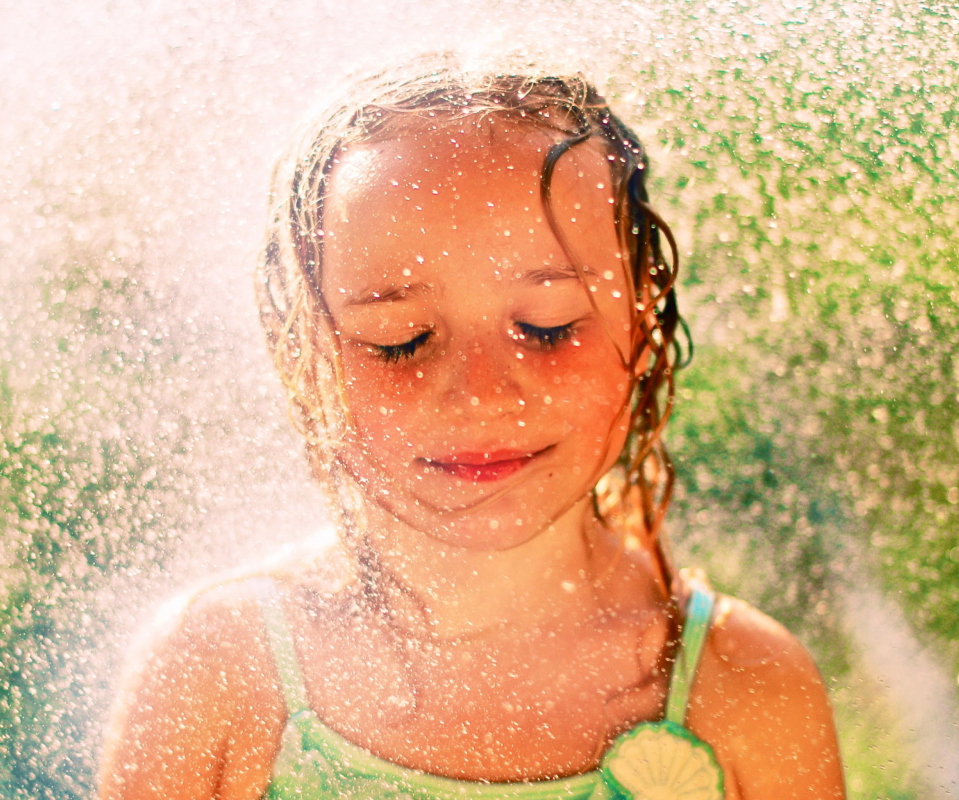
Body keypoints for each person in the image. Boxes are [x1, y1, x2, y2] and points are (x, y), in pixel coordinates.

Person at [98, 59, 846, 800]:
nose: (480, 396)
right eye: (399, 338)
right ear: (303, 355)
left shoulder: (748, 692)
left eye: (547, 327)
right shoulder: (216, 676)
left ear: (644, 326)